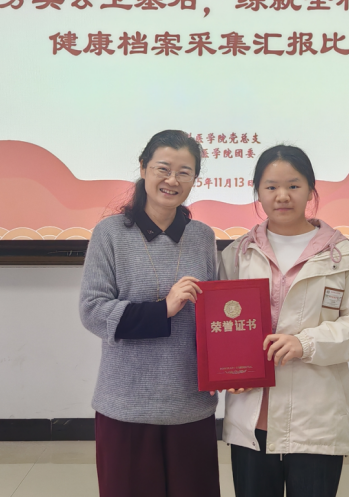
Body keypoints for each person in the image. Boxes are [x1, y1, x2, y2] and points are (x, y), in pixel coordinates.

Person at [220, 145, 349, 497]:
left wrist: (305, 343)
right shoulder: (236, 255)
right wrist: (227, 372)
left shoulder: (342, 256)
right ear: (257, 192)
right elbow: (219, 325)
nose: (282, 196)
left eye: (293, 186)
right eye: (271, 187)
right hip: (252, 417)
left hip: (315, 419)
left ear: (311, 190)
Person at [79, 130, 220, 497]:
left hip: (190, 405)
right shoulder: (110, 233)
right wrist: (163, 310)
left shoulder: (203, 237)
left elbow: (216, 316)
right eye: (163, 168)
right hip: (126, 407)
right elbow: (92, 310)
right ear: (143, 168)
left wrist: (226, 364)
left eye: (184, 172)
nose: (172, 180)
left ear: (194, 179)